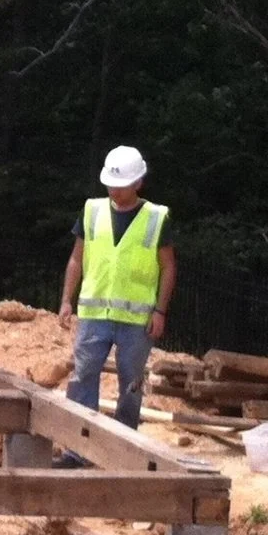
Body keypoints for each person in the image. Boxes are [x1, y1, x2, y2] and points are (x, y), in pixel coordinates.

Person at [57, 144, 176, 428]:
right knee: (83, 375)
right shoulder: (92, 210)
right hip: (94, 315)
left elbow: (168, 266)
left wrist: (160, 311)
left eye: (121, 186)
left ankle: (125, 441)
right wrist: (66, 299)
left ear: (138, 182)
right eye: (111, 185)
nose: (115, 191)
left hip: (136, 320)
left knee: (130, 385)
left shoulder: (156, 218)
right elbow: (77, 258)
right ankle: (79, 446)